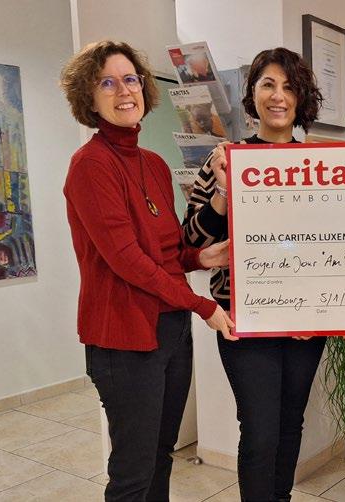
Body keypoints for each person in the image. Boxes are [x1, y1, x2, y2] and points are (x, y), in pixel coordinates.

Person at [60, 40, 234, 501]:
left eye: (130, 79)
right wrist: (203, 305)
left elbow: (165, 251)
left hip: (170, 332)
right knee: (133, 474)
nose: (124, 91)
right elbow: (128, 261)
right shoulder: (89, 166)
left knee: (160, 456)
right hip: (124, 340)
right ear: (88, 95)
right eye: (107, 82)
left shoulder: (153, 164)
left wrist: (201, 258)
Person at [182, 47, 327, 502]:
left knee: (289, 423)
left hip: (305, 322)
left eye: (289, 87)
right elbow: (192, 239)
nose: (278, 96)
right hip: (243, 317)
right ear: (252, 94)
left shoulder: (320, 164)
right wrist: (224, 193)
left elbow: (334, 243)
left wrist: (320, 309)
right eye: (268, 84)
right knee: (260, 429)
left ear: (302, 98)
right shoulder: (225, 158)